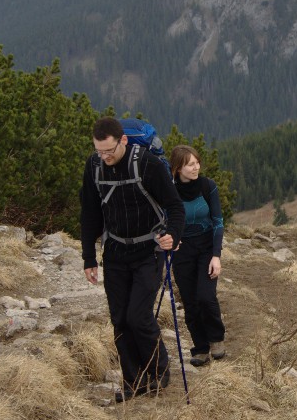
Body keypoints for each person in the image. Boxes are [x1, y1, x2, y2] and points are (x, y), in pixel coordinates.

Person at [80, 116, 185, 402]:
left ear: (123, 141)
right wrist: (89, 257)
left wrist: (172, 235)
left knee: (138, 316)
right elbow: (89, 212)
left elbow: (174, 206)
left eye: (109, 151)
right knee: (119, 320)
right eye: (99, 151)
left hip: (148, 252)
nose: (104, 157)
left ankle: (159, 372)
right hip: (114, 252)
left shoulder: (147, 164)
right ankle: (133, 381)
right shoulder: (94, 167)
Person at [169, 144, 226, 366]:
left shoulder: (207, 186)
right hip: (181, 251)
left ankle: (216, 339)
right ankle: (200, 348)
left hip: (205, 246)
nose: (196, 167)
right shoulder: (169, 191)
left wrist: (216, 255)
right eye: (190, 164)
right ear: (178, 169)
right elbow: (163, 219)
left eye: (197, 162)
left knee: (205, 296)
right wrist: (169, 237)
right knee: (190, 302)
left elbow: (218, 221)